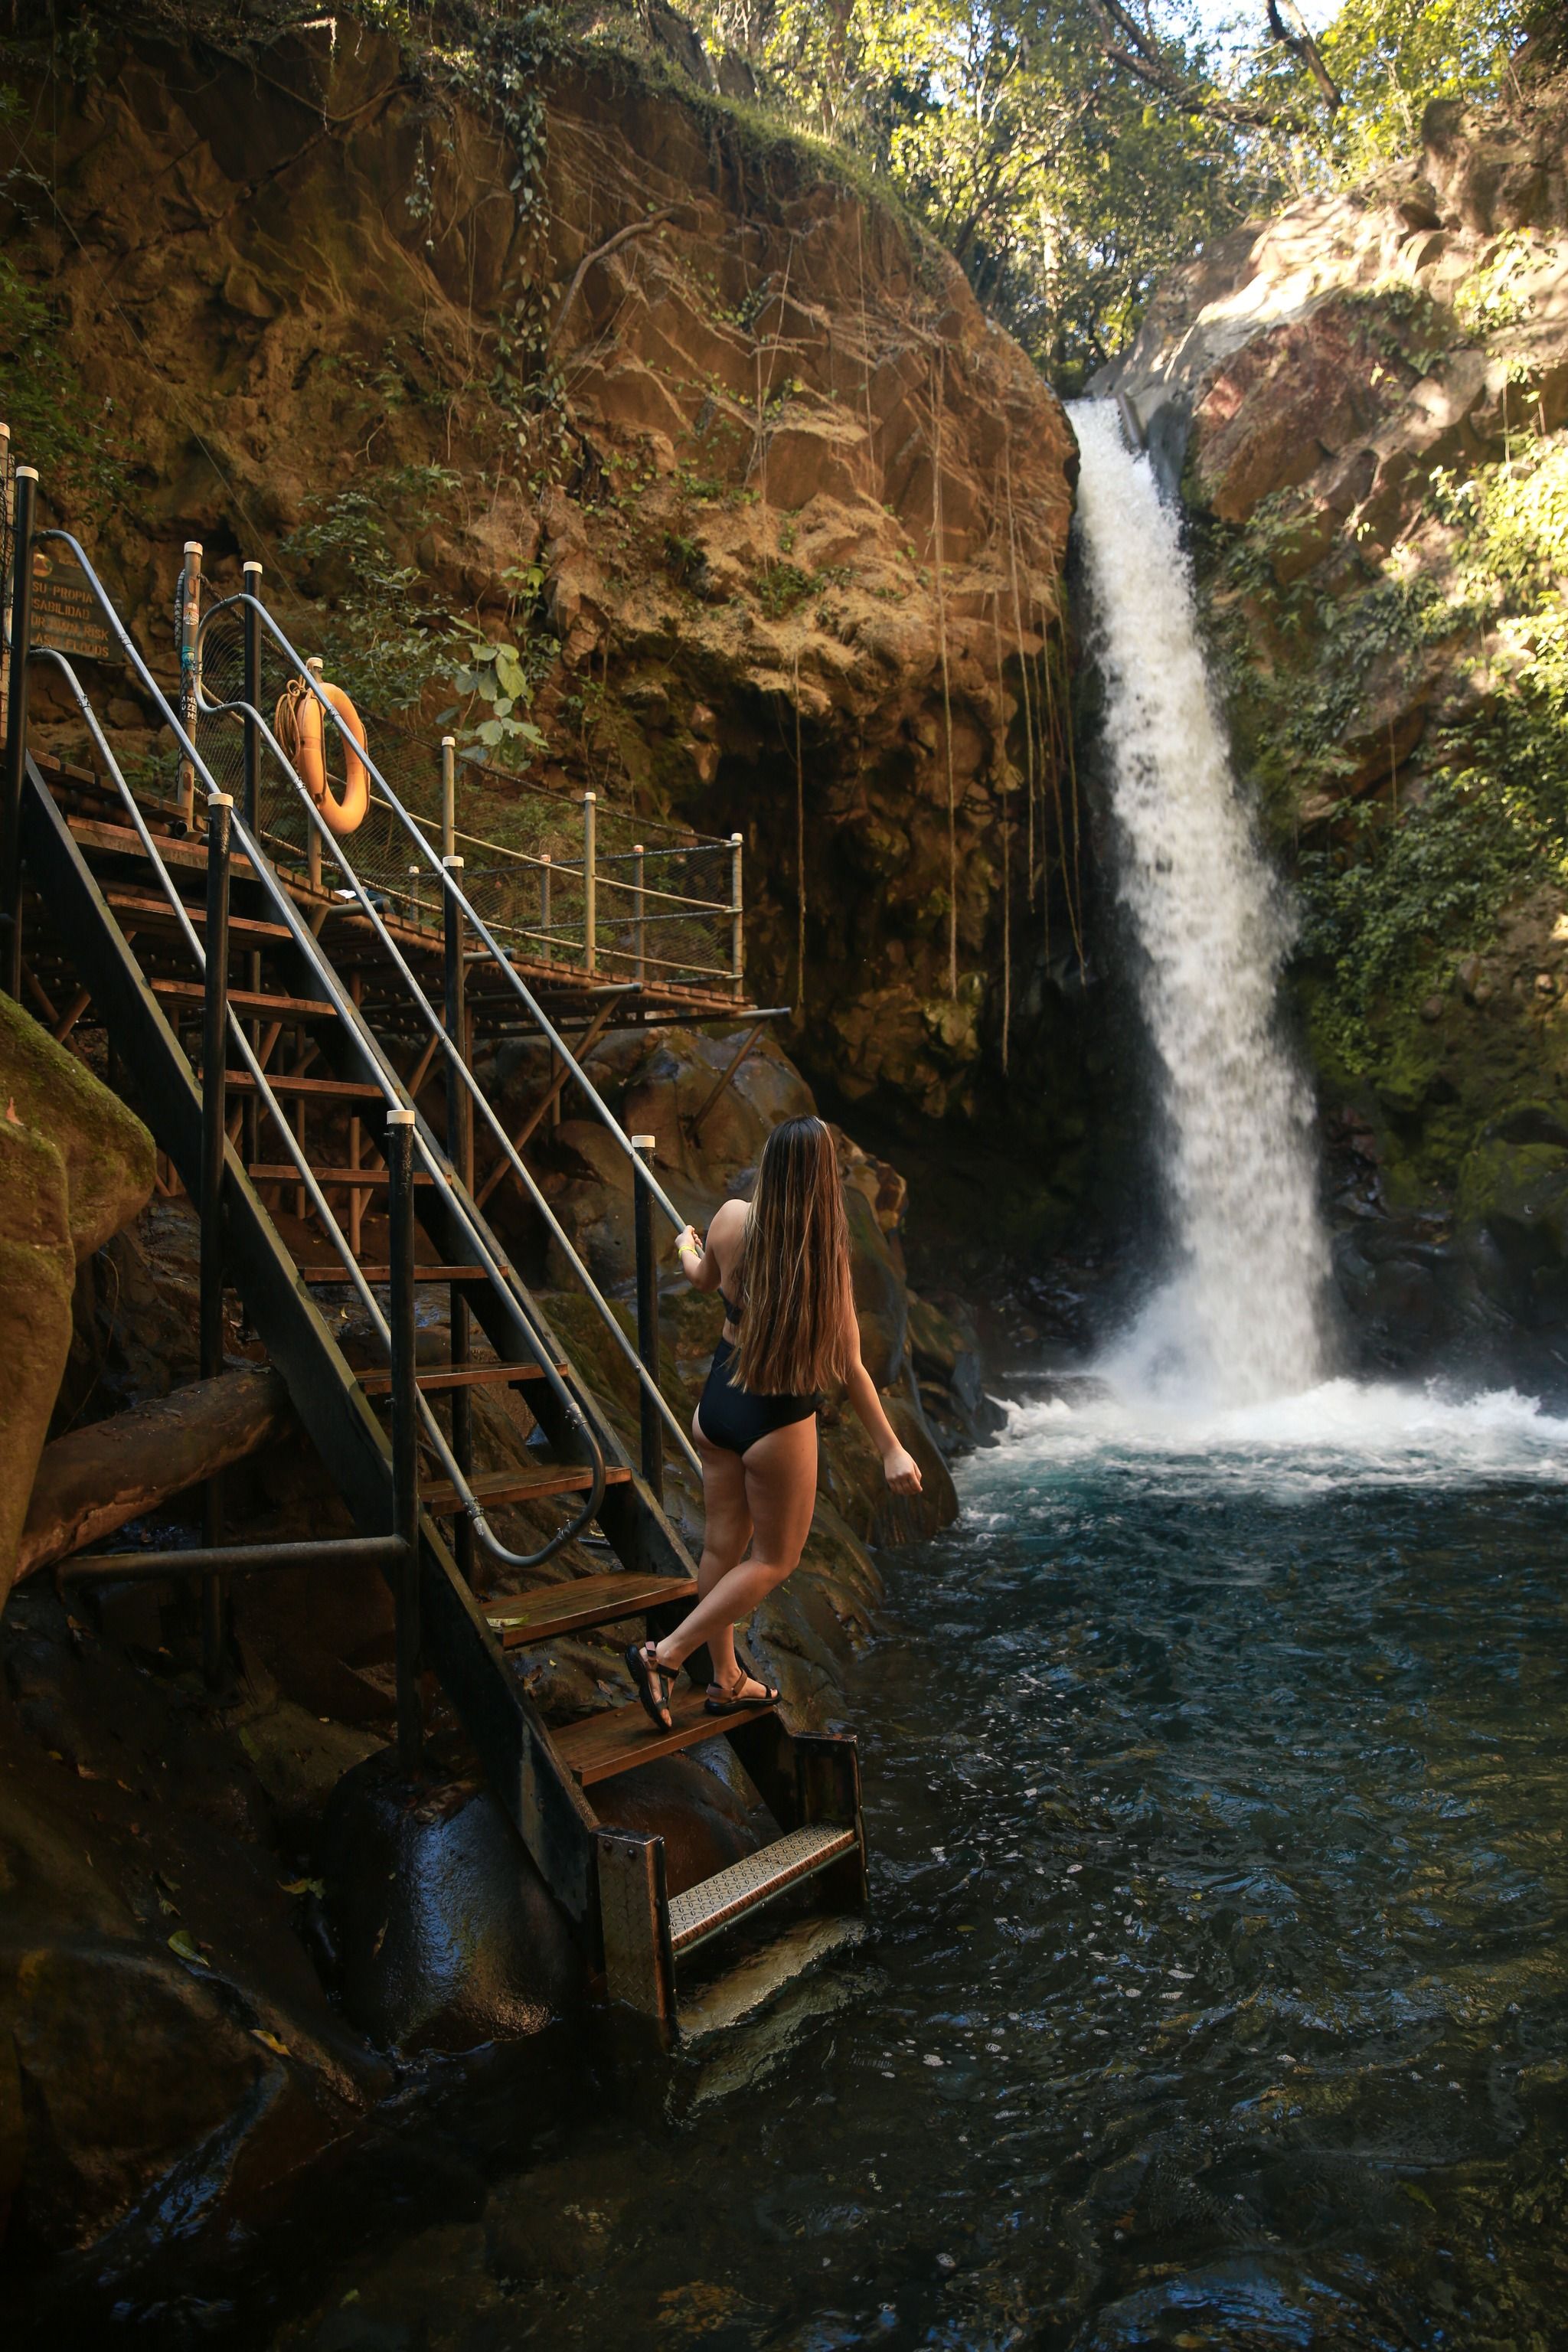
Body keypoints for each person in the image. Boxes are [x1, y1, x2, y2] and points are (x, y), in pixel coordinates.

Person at [626, 1113, 923, 1729]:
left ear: (771, 1165)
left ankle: (727, 1677)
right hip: (774, 1421)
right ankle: (667, 1655)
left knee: (720, 1545)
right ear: (823, 1180)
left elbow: (703, 1278)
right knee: (773, 1560)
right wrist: (891, 1448)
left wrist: (685, 1243)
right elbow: (849, 1367)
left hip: (717, 1406)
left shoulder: (731, 1218)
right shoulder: (824, 1259)